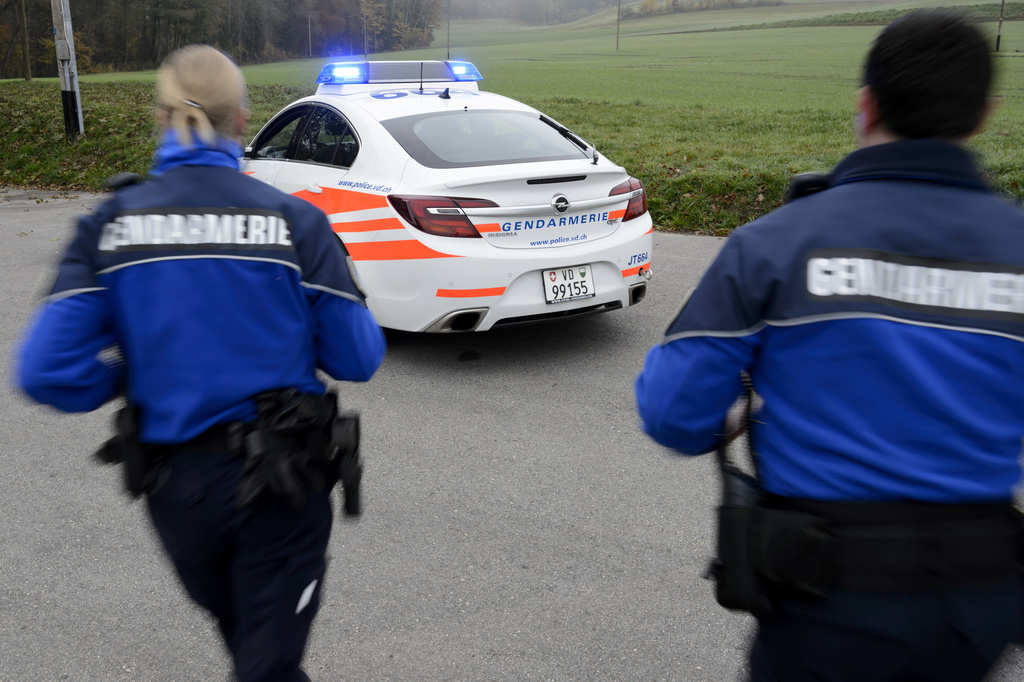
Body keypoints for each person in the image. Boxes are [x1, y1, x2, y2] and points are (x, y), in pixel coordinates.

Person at [635, 11, 1024, 682]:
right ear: (983, 114)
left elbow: (672, 412)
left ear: (865, 105)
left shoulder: (776, 244)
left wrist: (738, 413)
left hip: (830, 602)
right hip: (982, 602)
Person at [16, 45, 386, 681]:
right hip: (280, 489)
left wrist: (129, 370)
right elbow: (357, 357)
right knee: (265, 665)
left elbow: (46, 371)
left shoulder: (109, 226)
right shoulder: (296, 222)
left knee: (252, 649)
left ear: (161, 119)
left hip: (178, 496)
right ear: (242, 121)